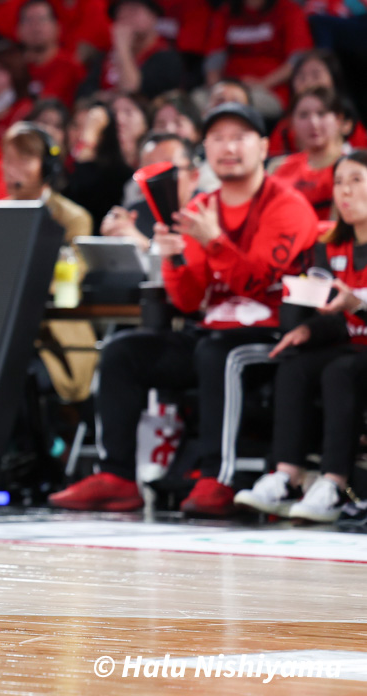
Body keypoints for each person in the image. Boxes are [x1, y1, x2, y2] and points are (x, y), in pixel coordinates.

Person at [50, 103, 317, 516]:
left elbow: (257, 281)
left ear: (264, 147)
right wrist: (173, 258)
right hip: (210, 332)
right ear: (205, 149)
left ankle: (217, 478)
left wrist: (214, 243)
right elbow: (189, 301)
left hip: (273, 335)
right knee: (122, 351)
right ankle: (117, 476)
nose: (228, 148)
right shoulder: (199, 208)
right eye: (218, 139)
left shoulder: (288, 205)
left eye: (239, 138)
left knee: (217, 354)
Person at [237, 150, 367, 523]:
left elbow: (351, 307)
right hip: (349, 347)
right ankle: (287, 477)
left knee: (340, 371)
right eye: (338, 182)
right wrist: (307, 328)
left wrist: (358, 304)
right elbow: (330, 315)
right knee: (294, 367)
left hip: (357, 358)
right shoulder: (328, 243)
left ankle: (334, 484)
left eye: (356, 180)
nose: (345, 191)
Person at [268, 87, 350, 220]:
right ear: (291, 123)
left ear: (338, 120)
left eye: (321, 113)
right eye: (303, 115)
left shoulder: (352, 168)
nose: (313, 123)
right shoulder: (277, 167)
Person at [100, 0, 186, 98]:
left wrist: (123, 49)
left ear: (153, 16)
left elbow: (132, 90)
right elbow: (86, 93)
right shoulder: (106, 57)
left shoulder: (166, 57)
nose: (126, 18)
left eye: (133, 11)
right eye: (120, 14)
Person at [18, 0, 85, 108]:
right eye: (29, 21)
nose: (36, 27)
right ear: (18, 29)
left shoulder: (71, 67)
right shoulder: (11, 68)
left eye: (42, 20)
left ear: (57, 27)